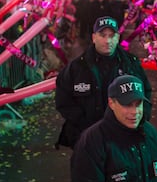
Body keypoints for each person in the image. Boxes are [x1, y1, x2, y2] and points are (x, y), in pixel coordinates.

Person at [55, 16, 151, 149]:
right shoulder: (76, 67)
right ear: (94, 37)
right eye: (103, 35)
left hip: (123, 138)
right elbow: (63, 100)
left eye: (112, 36)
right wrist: (85, 125)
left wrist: (139, 121)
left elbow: (145, 93)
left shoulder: (131, 64)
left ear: (118, 37)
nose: (107, 40)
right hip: (87, 140)